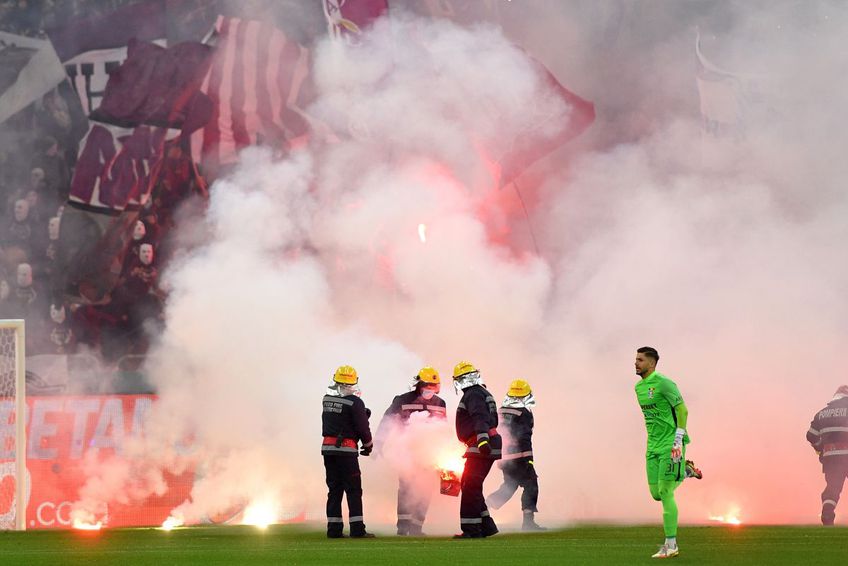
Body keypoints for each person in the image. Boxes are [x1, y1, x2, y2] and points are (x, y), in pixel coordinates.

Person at [634, 346, 702, 559]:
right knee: (656, 494)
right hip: (652, 445)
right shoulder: (639, 387)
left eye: (640, 360)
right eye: (635, 359)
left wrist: (678, 438)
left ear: (652, 363)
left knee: (665, 492)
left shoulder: (664, 383)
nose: (636, 363)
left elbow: (682, 410)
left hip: (671, 445)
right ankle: (685, 471)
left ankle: (671, 545)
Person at [375, 366, 447, 535]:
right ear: (419, 384)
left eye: (434, 386)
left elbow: (443, 429)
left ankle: (417, 527)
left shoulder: (441, 403)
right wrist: (378, 443)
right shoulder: (402, 400)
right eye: (427, 385)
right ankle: (403, 527)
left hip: (430, 455)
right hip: (407, 453)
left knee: (425, 490)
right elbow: (387, 421)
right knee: (406, 489)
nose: (431, 390)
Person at [321, 365, 375, 539]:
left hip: (328, 451)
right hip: (346, 452)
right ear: (353, 383)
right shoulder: (355, 402)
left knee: (334, 490)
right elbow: (362, 428)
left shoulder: (326, 399)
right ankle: (357, 530)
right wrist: (368, 445)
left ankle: (334, 530)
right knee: (353, 490)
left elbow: (339, 419)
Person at [486, 379, 545, 531]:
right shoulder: (524, 412)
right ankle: (528, 522)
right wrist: (529, 460)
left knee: (509, 485)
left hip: (504, 457)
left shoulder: (502, 410)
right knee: (531, 484)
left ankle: (484, 507)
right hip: (519, 457)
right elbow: (524, 437)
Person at [452, 361, 501, 539]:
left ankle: (471, 530)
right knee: (471, 485)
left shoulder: (473, 394)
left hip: (481, 443)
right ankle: (486, 526)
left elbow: (480, 417)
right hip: (483, 442)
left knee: (470, 486)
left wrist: (482, 440)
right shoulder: (481, 392)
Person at [806, 385, 848, 525]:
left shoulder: (821, 414)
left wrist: (820, 449)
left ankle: (827, 515)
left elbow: (811, 436)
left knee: (833, 488)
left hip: (831, 458)